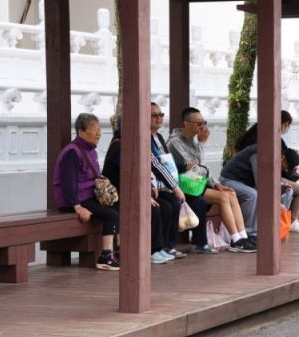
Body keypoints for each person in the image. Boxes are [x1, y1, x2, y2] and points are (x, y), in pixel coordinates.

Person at [167, 107, 256, 253]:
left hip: (196, 184)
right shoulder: (175, 143)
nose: (203, 127)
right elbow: (198, 169)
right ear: (186, 124)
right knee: (222, 197)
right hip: (184, 186)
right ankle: (235, 240)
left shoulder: (192, 141)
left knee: (230, 193)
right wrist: (202, 144)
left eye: (204, 122)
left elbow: (203, 168)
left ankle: (243, 236)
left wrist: (217, 184)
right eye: (199, 123)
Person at [52, 113, 119, 271]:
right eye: (94, 130)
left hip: (89, 196)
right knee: (111, 215)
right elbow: (69, 183)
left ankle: (118, 252)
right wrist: (76, 206)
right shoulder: (72, 152)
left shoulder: (91, 150)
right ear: (81, 131)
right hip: (76, 199)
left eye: (99, 129)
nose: (99, 133)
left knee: (118, 209)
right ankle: (106, 256)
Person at [103, 118, 175, 265]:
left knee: (166, 206)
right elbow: (129, 176)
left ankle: (161, 247)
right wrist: (144, 196)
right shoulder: (120, 146)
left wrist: (150, 188)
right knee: (153, 209)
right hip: (119, 194)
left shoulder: (135, 144)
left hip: (133, 192)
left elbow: (145, 170)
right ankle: (152, 250)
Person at [149, 103, 212, 255]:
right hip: (162, 186)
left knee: (200, 201)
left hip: (172, 184)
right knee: (170, 204)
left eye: (161, 115)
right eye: (154, 115)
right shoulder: (174, 141)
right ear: (186, 123)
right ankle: (163, 247)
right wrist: (175, 187)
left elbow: (199, 169)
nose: (159, 118)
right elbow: (156, 165)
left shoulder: (159, 137)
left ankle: (199, 244)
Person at [219, 142, 299, 241]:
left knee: (288, 191)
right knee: (252, 195)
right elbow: (261, 185)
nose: (285, 170)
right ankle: (250, 234)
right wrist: (277, 203)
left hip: (247, 183)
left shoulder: (274, 157)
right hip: (230, 180)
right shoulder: (257, 154)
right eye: (286, 167)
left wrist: (282, 187)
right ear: (282, 158)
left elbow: (270, 181)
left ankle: (277, 229)